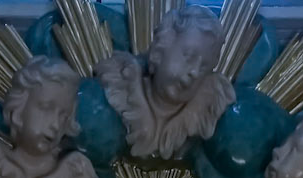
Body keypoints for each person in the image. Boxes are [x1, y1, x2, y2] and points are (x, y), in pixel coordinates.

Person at [99, 4, 234, 161]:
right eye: (188, 56)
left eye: (204, 67)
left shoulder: (204, 120)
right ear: (160, 49)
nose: (195, 72)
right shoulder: (120, 83)